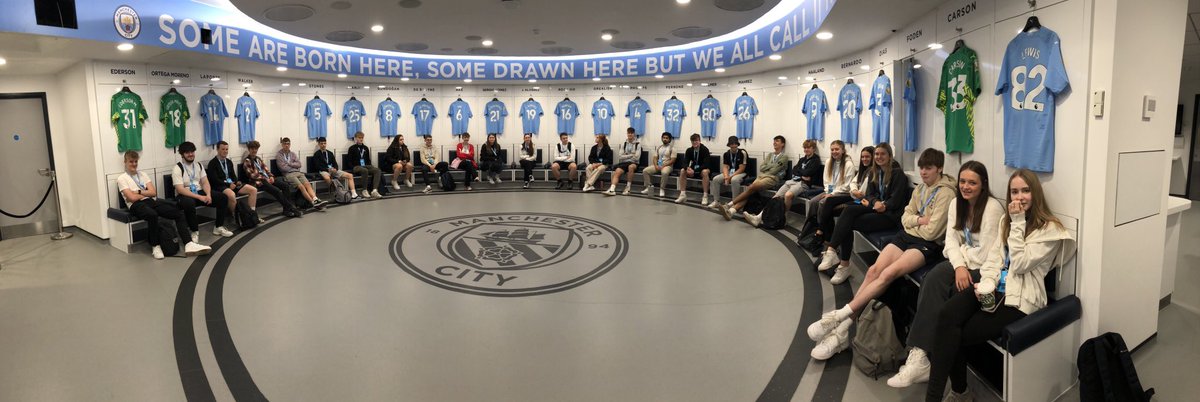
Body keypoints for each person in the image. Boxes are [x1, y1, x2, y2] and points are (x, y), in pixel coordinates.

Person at [924, 169, 1075, 402]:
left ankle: (958, 392)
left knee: (956, 335)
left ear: (1035, 193)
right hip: (994, 289)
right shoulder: (1007, 219)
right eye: (1014, 191)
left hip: (1020, 300)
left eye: (1025, 191)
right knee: (946, 316)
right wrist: (986, 283)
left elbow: (1022, 263)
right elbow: (995, 258)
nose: (1019, 197)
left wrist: (1017, 223)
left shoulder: (1050, 230)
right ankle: (950, 394)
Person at [807, 148, 954, 361]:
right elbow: (906, 216)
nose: (923, 172)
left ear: (939, 168)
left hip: (926, 245)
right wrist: (919, 220)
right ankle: (842, 329)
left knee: (888, 274)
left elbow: (932, 232)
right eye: (921, 168)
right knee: (874, 270)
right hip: (907, 235)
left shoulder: (947, 193)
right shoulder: (920, 188)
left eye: (928, 168)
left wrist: (915, 221)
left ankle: (839, 318)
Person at [889, 160, 1005, 388]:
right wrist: (960, 265)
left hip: (986, 270)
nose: (965, 186)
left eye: (972, 182)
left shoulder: (992, 209)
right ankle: (920, 354)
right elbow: (951, 241)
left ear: (983, 185)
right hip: (960, 263)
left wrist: (962, 259)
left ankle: (936, 359)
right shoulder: (956, 205)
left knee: (953, 292)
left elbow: (986, 255)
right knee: (932, 279)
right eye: (962, 181)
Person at [815, 143, 907, 281]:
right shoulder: (874, 172)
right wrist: (875, 201)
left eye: (882, 154)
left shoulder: (897, 173)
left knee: (847, 222)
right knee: (849, 211)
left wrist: (883, 205)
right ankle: (834, 253)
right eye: (877, 154)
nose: (879, 157)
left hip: (890, 215)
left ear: (889, 156)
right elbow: (869, 194)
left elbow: (897, 200)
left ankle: (841, 261)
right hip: (875, 208)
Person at [118, 150, 212, 259]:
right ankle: (155, 246)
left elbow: (153, 192)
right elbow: (131, 198)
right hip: (136, 205)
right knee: (152, 215)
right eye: (131, 162)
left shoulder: (143, 175)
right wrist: (145, 193)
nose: (134, 164)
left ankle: (188, 243)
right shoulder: (122, 178)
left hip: (151, 201)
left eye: (136, 162)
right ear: (125, 162)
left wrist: (138, 192)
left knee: (177, 213)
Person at [804, 146, 875, 256]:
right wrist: (852, 190)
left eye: (867, 157)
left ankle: (824, 239)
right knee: (826, 202)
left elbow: (852, 187)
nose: (864, 159)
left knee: (826, 206)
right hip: (850, 194)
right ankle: (819, 233)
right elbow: (852, 183)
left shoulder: (853, 165)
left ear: (843, 150)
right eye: (862, 157)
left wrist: (854, 191)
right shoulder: (861, 169)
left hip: (853, 197)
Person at [745, 139, 823, 226]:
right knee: (776, 197)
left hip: (804, 184)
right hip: (792, 181)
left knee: (788, 195)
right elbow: (795, 170)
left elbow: (807, 173)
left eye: (809, 148)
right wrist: (802, 174)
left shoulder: (816, 160)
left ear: (813, 149)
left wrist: (801, 173)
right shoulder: (802, 159)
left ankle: (783, 219)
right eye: (805, 148)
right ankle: (758, 217)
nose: (806, 150)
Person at [797, 140, 855, 245]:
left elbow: (847, 186)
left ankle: (823, 233)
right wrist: (830, 191)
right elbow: (827, 180)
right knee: (812, 202)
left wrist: (832, 194)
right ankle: (807, 230)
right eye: (832, 149)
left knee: (822, 203)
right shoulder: (829, 161)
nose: (834, 151)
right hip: (831, 191)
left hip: (843, 193)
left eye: (837, 149)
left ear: (843, 150)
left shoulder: (848, 164)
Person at [719, 135, 790, 220]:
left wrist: (768, 166)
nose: (774, 142)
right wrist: (771, 166)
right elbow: (762, 167)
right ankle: (731, 211)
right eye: (774, 141)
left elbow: (774, 171)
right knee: (750, 192)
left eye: (777, 141)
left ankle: (729, 205)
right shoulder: (770, 155)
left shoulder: (784, 157)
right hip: (762, 176)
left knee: (751, 188)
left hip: (773, 178)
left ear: (782, 144)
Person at [172, 142, 232, 239]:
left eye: (192, 152)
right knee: (189, 203)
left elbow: (205, 182)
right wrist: (200, 197)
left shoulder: (198, 165)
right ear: (182, 154)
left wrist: (208, 194)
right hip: (185, 194)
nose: (190, 154)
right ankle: (194, 231)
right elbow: (180, 189)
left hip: (199, 191)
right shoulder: (177, 168)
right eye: (187, 152)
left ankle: (218, 227)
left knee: (223, 197)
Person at [243, 141, 305, 217]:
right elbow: (252, 175)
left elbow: (266, 169)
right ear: (249, 149)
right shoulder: (247, 161)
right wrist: (265, 179)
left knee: (285, 186)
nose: (254, 151)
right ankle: (292, 208)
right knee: (277, 191)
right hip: (259, 182)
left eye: (256, 149)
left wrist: (271, 176)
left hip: (267, 179)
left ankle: (286, 210)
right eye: (252, 149)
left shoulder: (258, 159)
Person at [207, 140, 262, 219]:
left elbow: (233, 175)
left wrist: (237, 182)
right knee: (231, 195)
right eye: (223, 149)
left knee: (253, 190)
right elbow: (214, 180)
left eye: (226, 149)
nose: (225, 151)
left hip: (231, 184)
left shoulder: (229, 162)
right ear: (217, 149)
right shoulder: (212, 163)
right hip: (220, 186)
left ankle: (252, 214)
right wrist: (228, 185)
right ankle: (239, 217)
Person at [276, 137, 326, 209]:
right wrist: (293, 165)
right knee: (301, 186)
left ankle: (315, 199)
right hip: (288, 174)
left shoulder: (292, 154)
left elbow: (299, 164)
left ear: (290, 144)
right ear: (282, 145)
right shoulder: (279, 155)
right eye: (285, 144)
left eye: (288, 144)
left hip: (297, 172)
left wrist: (289, 164)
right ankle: (312, 202)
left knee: (307, 184)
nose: (287, 145)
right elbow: (283, 168)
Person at [709, 136, 749, 208]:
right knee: (715, 179)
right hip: (730, 172)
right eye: (731, 144)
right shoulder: (726, 154)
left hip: (741, 173)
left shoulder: (743, 153)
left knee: (734, 180)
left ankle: (734, 202)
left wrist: (730, 177)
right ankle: (716, 201)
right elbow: (725, 167)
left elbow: (742, 168)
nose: (733, 145)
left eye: (735, 143)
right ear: (729, 145)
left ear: (737, 144)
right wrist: (726, 176)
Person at [675, 133, 712, 204]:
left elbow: (706, 164)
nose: (694, 142)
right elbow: (685, 162)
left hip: (703, 169)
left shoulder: (705, 149)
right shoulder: (689, 150)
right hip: (693, 170)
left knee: (704, 172)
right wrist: (687, 168)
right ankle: (682, 195)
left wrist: (694, 170)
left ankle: (705, 196)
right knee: (683, 170)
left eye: (696, 140)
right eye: (693, 141)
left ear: (699, 141)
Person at [604, 127, 640, 196]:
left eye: (631, 133)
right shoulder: (624, 144)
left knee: (631, 167)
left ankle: (628, 188)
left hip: (634, 163)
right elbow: (620, 156)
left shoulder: (638, 144)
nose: (630, 135)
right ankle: (612, 189)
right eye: (628, 133)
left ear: (634, 134)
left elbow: (637, 157)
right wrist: (631, 155)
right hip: (624, 163)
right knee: (617, 170)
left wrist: (626, 155)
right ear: (627, 134)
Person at [347, 132, 383, 198]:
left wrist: (371, 166)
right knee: (364, 170)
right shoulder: (352, 148)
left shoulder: (365, 148)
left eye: (362, 138)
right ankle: (364, 190)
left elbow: (368, 160)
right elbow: (349, 161)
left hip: (365, 166)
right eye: (359, 138)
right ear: (355, 138)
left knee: (377, 170)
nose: (361, 139)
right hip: (356, 166)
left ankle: (374, 190)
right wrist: (352, 168)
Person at [641, 132, 676, 197]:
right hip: (658, 165)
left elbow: (673, 160)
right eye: (664, 138)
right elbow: (655, 158)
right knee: (645, 171)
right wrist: (656, 165)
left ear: (669, 139)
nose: (665, 139)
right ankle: (649, 187)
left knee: (664, 172)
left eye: (667, 138)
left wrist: (663, 165)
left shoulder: (672, 148)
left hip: (668, 166)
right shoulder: (659, 148)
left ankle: (662, 189)